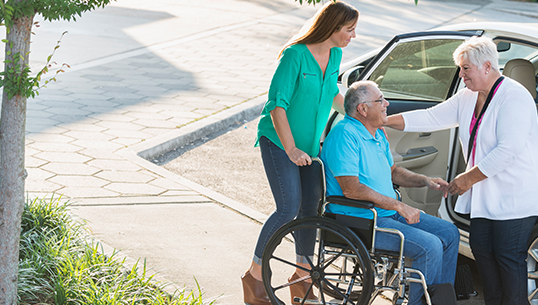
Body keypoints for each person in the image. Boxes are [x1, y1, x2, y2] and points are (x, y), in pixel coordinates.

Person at [386, 36, 538, 305]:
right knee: (484, 257)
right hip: (484, 199)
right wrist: (384, 120)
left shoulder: (514, 97)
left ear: (487, 67)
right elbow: (433, 116)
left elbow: (507, 151)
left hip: (514, 200)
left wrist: (466, 179)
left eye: (465, 68)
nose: (461, 75)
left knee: (508, 260)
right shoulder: (469, 95)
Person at [240, 2, 359, 305]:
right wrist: (290, 148)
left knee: (311, 210)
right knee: (288, 208)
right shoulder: (294, 56)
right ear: (332, 27)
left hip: (308, 147)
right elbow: (276, 104)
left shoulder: (335, 54)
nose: (353, 35)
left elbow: (331, 92)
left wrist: (358, 115)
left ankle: (301, 277)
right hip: (280, 143)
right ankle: (254, 276)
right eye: (349, 29)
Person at [321, 80, 459, 305]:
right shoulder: (344, 135)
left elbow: (392, 172)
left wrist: (424, 180)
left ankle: (440, 301)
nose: (387, 103)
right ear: (363, 109)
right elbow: (351, 189)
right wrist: (398, 205)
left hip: (385, 214)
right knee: (430, 246)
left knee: (449, 233)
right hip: (362, 220)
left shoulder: (376, 134)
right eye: (380, 100)